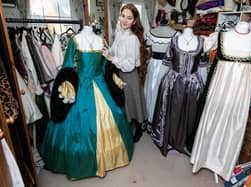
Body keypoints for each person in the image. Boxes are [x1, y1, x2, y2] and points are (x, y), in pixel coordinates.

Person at [41, 24, 133, 179]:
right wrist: (67, 84)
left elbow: (104, 65)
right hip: (82, 83)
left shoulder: (101, 40)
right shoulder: (74, 40)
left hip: (99, 82)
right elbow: (68, 65)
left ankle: (105, 158)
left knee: (112, 114)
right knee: (79, 121)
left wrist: (112, 77)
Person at [190, 21, 251, 181]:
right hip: (219, 90)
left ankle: (223, 164)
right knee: (211, 120)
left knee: (233, 125)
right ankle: (203, 158)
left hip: (240, 92)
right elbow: (206, 47)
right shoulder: (221, 36)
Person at [152, 27, 206, 156]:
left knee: (190, 113)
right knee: (173, 111)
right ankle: (170, 139)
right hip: (173, 81)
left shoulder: (202, 42)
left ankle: (185, 141)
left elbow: (202, 66)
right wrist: (160, 82)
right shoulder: (174, 41)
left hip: (193, 83)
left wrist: (204, 85)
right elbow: (166, 63)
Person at [102, 4, 148, 143]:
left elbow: (129, 65)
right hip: (120, 74)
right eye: (123, 16)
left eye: (129, 18)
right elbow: (114, 50)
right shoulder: (120, 33)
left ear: (134, 21)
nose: (125, 20)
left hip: (130, 75)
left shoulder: (132, 38)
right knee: (125, 103)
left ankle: (139, 129)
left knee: (134, 104)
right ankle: (130, 125)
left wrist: (111, 58)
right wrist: (107, 51)